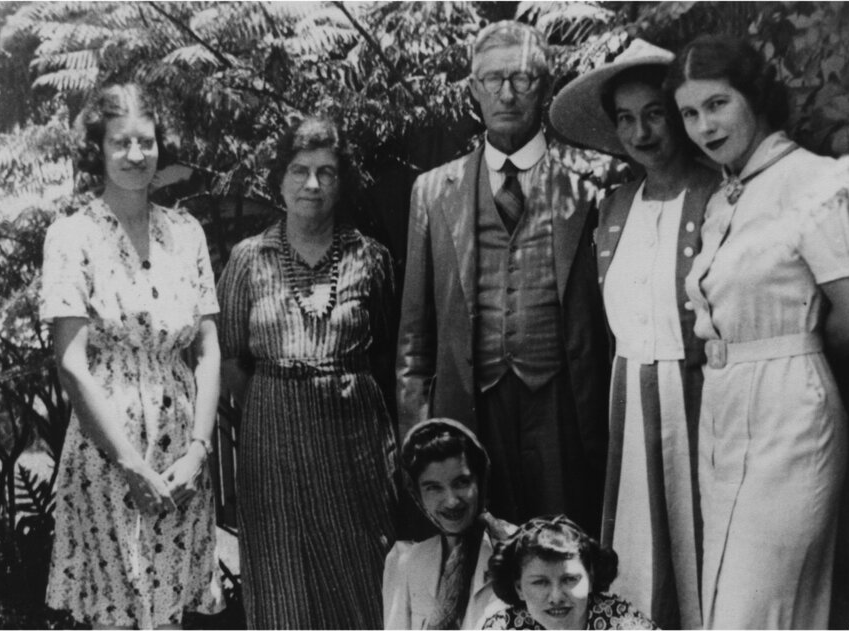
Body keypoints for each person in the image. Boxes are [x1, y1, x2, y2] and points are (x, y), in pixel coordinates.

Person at [667, 35, 849, 629]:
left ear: (755, 97)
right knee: (724, 604)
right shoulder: (724, 199)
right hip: (723, 415)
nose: (705, 126)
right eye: (689, 113)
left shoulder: (808, 178)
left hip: (790, 418)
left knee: (753, 611)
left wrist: (797, 351)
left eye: (718, 104)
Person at [397, 20, 610, 531]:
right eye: (492, 79)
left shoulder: (591, 187)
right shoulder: (433, 191)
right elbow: (414, 336)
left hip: (562, 407)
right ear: (474, 88)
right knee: (485, 552)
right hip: (470, 407)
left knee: (565, 543)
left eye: (522, 78)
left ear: (546, 86)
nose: (507, 94)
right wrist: (416, 435)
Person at [548, 40, 720, 629]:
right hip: (630, 401)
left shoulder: (718, 194)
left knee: (703, 544)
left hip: (703, 399)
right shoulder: (614, 207)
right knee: (638, 548)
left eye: (654, 114)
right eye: (625, 118)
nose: (641, 132)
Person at [41, 83, 223, 629]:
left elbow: (208, 351)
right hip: (110, 454)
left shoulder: (186, 233)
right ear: (97, 149)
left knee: (172, 613)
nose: (136, 154)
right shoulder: (72, 236)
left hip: (182, 458)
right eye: (121, 142)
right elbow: (72, 363)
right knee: (118, 612)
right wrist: (130, 464)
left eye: (146, 141)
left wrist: (199, 451)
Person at [217, 116, 398, 629]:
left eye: (326, 172)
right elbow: (229, 357)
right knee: (281, 579)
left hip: (354, 442)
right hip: (271, 443)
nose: (312, 184)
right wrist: (276, 398)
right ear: (279, 180)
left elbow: (387, 353)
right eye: (299, 170)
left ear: (343, 183)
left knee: (363, 571)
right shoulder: (248, 260)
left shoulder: (370, 257)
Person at [383, 418, 510, 630]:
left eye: (461, 483)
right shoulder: (406, 562)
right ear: (417, 494)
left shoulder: (517, 549)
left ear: (480, 481)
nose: (451, 501)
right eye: (434, 488)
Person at [482, 515, 657, 630]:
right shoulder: (503, 626)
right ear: (519, 588)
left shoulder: (623, 622)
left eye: (569, 579)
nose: (556, 597)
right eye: (540, 582)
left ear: (590, 578)